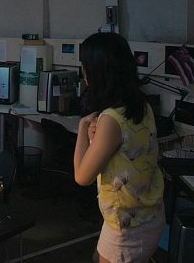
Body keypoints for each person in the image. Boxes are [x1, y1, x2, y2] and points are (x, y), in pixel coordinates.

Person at [73, 32, 165, 263]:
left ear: (98, 71)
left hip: (126, 229)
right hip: (149, 216)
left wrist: (83, 128)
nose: (83, 72)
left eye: (85, 65)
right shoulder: (142, 106)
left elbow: (82, 176)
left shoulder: (111, 120)